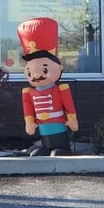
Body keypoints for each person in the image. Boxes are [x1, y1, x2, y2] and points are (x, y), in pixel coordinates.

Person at [18, 17, 79, 156]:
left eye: (44, 70)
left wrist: (72, 119)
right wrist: (29, 122)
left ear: (59, 67)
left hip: (59, 123)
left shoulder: (61, 89)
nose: (35, 75)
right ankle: (46, 147)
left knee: (59, 143)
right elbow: (28, 108)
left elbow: (68, 105)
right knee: (46, 140)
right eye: (29, 72)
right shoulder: (29, 92)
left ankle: (63, 149)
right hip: (42, 126)